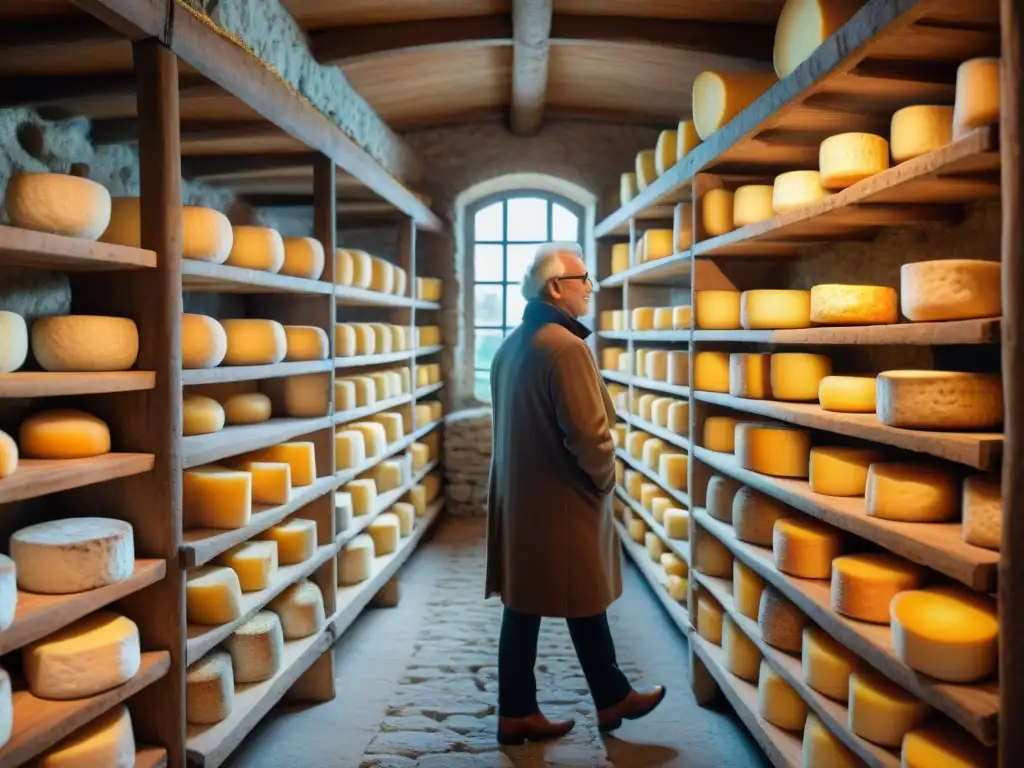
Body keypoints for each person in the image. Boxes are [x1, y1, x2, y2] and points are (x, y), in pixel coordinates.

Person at [485, 241, 666, 746]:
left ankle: (527, 710)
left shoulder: (512, 345)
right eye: (583, 277)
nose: (591, 286)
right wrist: (605, 480)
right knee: (580, 595)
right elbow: (589, 435)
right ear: (555, 288)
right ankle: (608, 697)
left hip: (524, 501)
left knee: (527, 604)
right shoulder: (565, 347)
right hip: (562, 500)